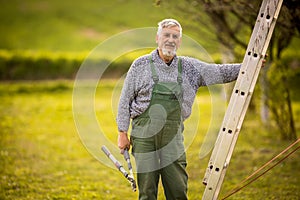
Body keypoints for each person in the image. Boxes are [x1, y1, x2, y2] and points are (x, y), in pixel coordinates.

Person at [117, 19, 241, 200]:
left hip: (172, 137)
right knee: (147, 191)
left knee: (177, 190)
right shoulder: (140, 65)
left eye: (175, 36)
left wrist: (249, 66)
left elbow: (219, 72)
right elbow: (124, 100)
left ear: (180, 41)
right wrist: (122, 132)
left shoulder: (190, 67)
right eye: (166, 35)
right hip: (144, 137)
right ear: (157, 38)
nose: (170, 40)